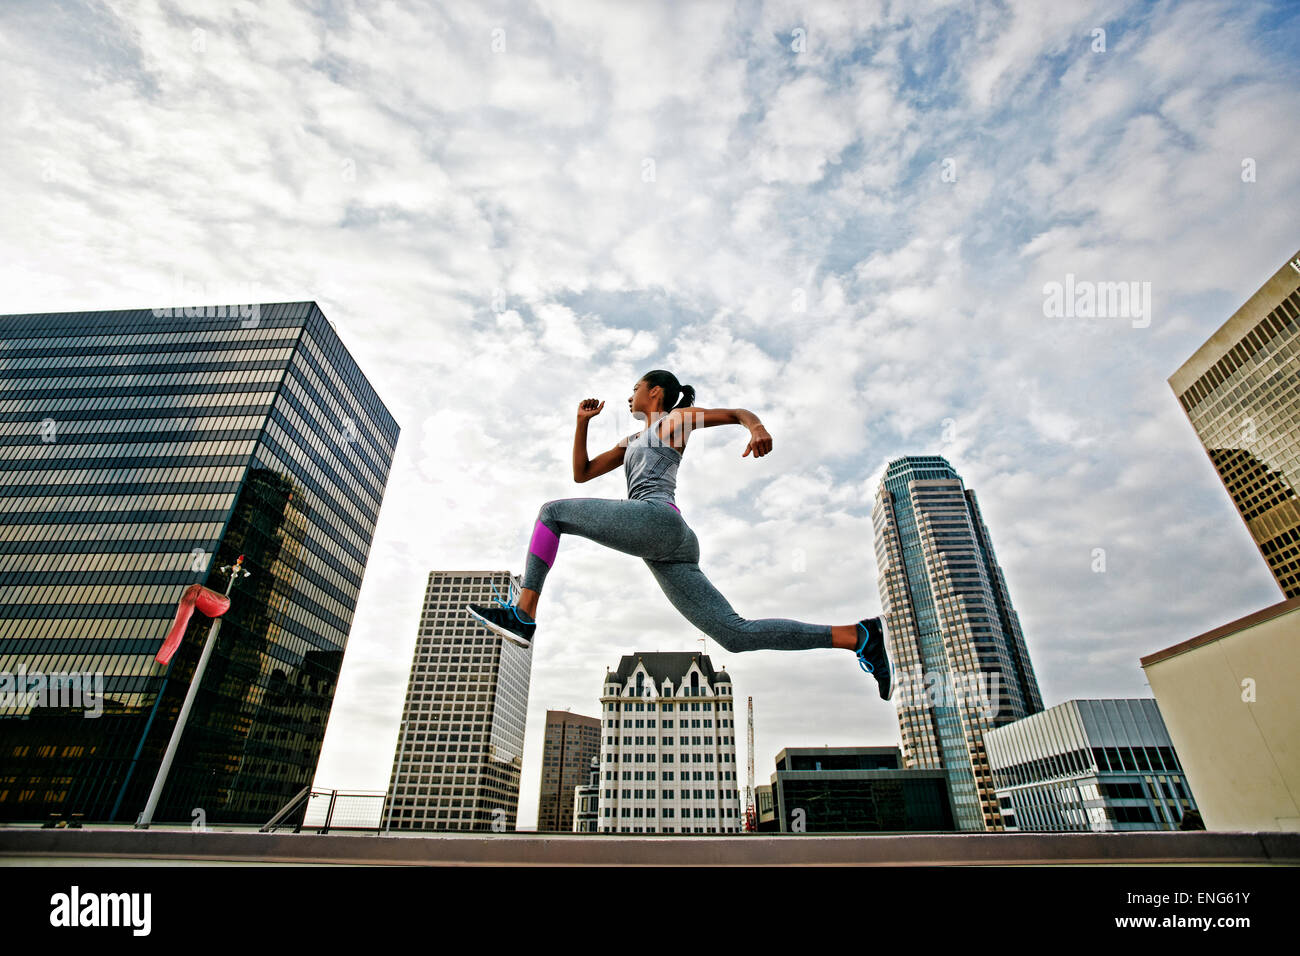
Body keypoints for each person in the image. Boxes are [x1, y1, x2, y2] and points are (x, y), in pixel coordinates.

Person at [466, 369, 893, 699]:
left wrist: (756, 428)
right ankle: (857, 635)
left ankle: (523, 614)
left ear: (655, 392)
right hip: (669, 546)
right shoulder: (634, 438)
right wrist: (582, 424)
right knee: (734, 635)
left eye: (635, 388)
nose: (628, 395)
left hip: (657, 519)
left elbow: (736, 413)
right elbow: (582, 475)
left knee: (551, 513)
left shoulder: (675, 421)